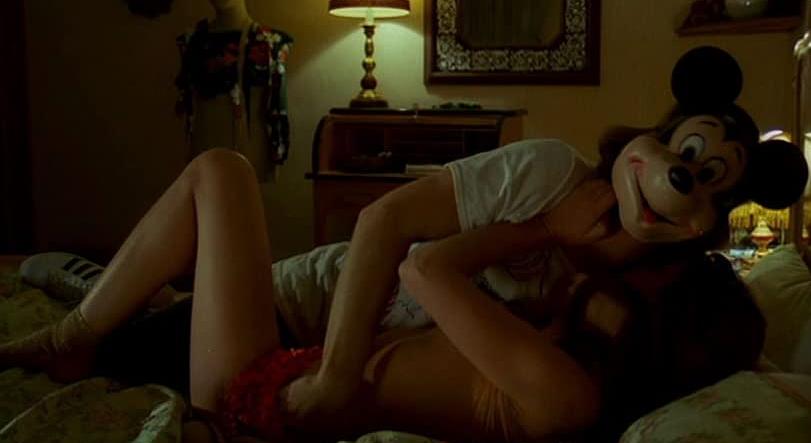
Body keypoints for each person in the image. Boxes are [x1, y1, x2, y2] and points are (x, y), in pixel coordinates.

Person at [0, 46, 805, 442]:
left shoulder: (570, 371)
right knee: (195, 230)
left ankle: (90, 313)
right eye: (684, 152)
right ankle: (88, 314)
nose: (683, 178)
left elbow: (427, 271)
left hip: (270, 385)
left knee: (217, 178)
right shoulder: (557, 196)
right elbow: (385, 227)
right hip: (308, 320)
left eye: (709, 182)